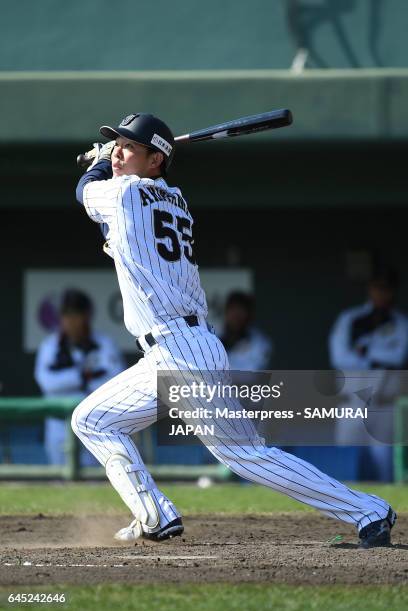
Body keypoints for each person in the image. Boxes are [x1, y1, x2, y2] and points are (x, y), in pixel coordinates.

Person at [72, 112, 396, 548]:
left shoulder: (127, 192)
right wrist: (118, 156)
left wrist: (94, 163)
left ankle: (368, 510)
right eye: (117, 144)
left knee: (245, 454)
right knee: (94, 420)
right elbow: (125, 194)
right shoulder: (173, 197)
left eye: (128, 147)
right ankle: (153, 514)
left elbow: (84, 191)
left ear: (155, 161)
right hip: (173, 350)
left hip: (181, 349)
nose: (117, 152)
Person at [329, 266, 408, 481]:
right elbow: (339, 357)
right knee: (346, 461)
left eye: (386, 288)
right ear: (370, 289)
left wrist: (365, 353)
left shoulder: (401, 323)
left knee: (385, 465)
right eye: (377, 287)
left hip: (383, 404)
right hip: (351, 402)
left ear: (393, 291)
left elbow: (397, 357)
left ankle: (386, 510)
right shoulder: (350, 319)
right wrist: (375, 359)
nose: (381, 293)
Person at [35, 289, 125, 466]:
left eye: (75, 314)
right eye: (66, 315)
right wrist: (82, 377)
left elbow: (117, 381)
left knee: (97, 483)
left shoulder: (104, 344)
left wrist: (81, 381)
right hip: (58, 425)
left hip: (96, 424)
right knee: (60, 483)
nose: (70, 321)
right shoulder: (50, 346)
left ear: (86, 316)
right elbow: (46, 383)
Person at [220, 291, 272, 375]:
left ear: (249, 314)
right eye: (232, 309)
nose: (236, 315)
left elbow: (252, 373)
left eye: (241, 310)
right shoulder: (214, 337)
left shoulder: (260, 343)